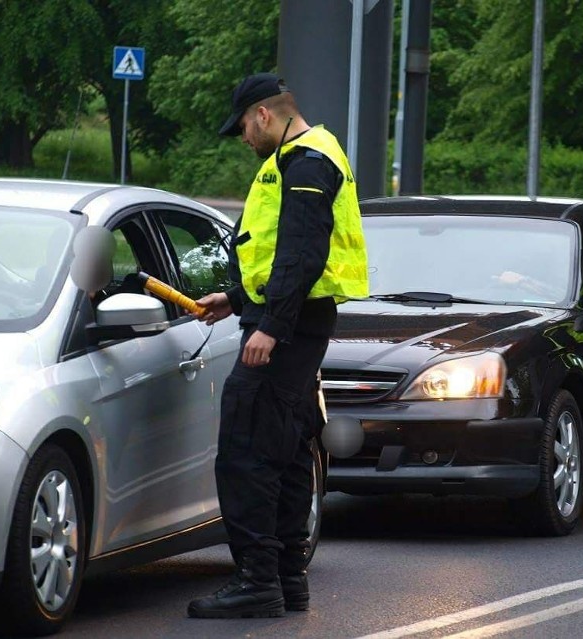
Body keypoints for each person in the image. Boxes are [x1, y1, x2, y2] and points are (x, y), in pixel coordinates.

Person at [187, 72, 368, 618]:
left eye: (243, 125)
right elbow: (277, 255)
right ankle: (288, 578)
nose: (243, 137)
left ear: (263, 115)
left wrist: (270, 326)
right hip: (293, 321)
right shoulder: (305, 155)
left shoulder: (307, 162)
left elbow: (301, 254)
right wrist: (238, 300)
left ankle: (256, 580)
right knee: (286, 453)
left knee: (244, 452)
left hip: (288, 328)